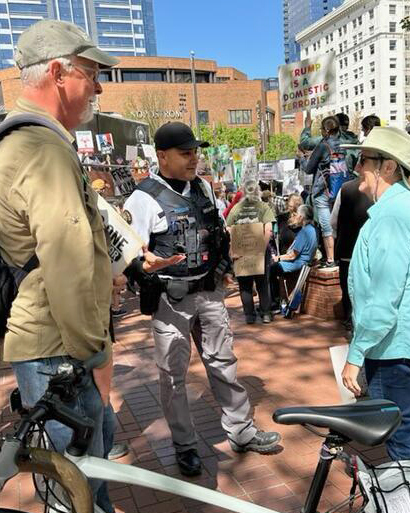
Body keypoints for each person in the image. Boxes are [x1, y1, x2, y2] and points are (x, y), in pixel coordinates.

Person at [0, 20, 119, 512]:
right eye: (90, 73)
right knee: (76, 493)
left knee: (84, 482)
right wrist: (93, 353)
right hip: (60, 351)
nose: (97, 86)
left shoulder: (25, 142)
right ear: (56, 73)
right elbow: (67, 264)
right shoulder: (44, 151)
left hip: (51, 347)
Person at [124, 122, 281, 477]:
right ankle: (185, 445)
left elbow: (218, 236)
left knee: (223, 361)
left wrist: (224, 262)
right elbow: (131, 254)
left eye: (195, 151)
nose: (194, 158)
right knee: (173, 376)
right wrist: (145, 269)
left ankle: (241, 431)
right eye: (185, 153)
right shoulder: (143, 197)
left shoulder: (204, 189)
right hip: (170, 299)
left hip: (209, 293)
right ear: (162, 156)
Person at [341, 127, 410, 460]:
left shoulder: (393, 216)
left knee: (402, 442)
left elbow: (384, 297)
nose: (356, 168)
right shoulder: (396, 211)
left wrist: (355, 356)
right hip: (394, 347)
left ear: (388, 167)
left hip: (393, 352)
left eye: (362, 160)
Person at [226, 179, 275, 324]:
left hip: (241, 250)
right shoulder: (263, 207)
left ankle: (249, 315)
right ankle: (266, 314)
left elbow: (228, 229)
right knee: (263, 283)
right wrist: (261, 247)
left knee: (245, 284)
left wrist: (232, 248)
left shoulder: (236, 208)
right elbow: (269, 230)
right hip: (259, 250)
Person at [305, 116, 347, 268]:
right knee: (340, 222)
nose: (321, 132)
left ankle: (330, 259)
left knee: (326, 225)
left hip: (323, 190)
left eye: (322, 129)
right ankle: (340, 255)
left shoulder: (323, 146)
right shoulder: (345, 144)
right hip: (341, 187)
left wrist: (303, 159)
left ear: (327, 130)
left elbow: (308, 169)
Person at [270, 205, 317, 307]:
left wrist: (278, 258)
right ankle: (279, 298)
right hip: (304, 262)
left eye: (296, 215)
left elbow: (292, 256)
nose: (295, 217)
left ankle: (275, 300)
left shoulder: (304, 232)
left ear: (301, 217)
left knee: (271, 269)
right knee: (274, 269)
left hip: (299, 263)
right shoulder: (312, 229)